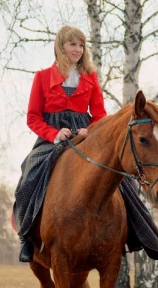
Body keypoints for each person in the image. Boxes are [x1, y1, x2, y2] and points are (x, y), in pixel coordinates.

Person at [13, 25, 107, 262]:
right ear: (61, 46)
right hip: (51, 139)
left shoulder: (91, 78)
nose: (78, 49)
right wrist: (54, 133)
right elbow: (32, 117)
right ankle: (26, 237)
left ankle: (128, 236)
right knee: (28, 175)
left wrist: (91, 132)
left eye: (81, 45)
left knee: (117, 176)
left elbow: (100, 115)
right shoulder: (42, 77)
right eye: (73, 44)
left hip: (85, 138)